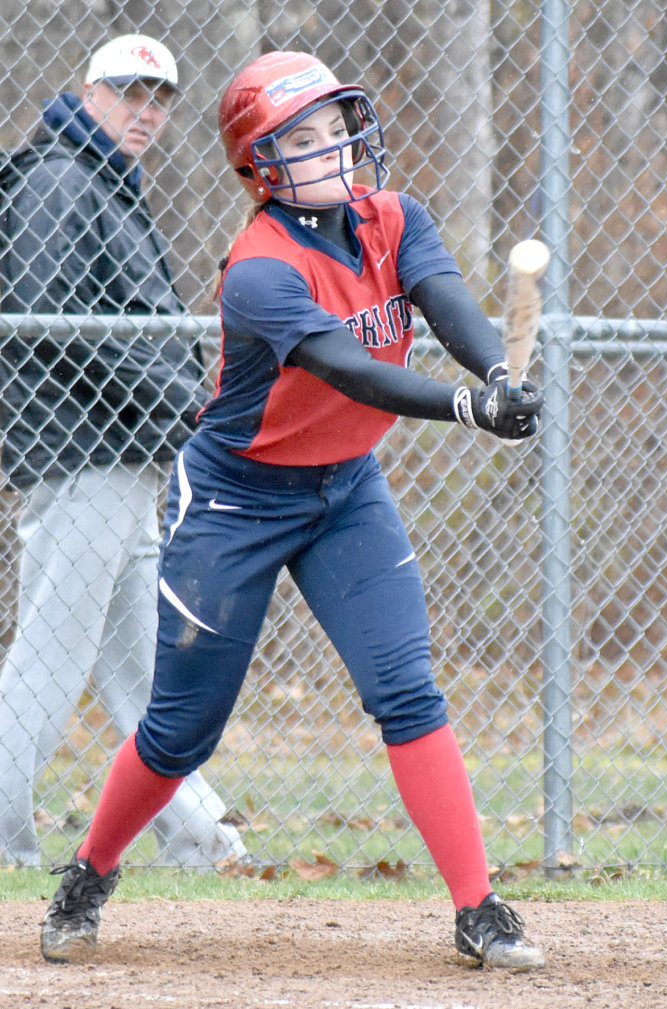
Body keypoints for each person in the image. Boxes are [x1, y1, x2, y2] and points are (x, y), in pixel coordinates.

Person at [38, 50, 547, 970]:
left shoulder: (395, 218)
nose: (335, 148)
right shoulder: (259, 268)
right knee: (180, 729)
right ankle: (89, 870)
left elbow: (447, 302)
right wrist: (466, 408)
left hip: (346, 490)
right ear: (261, 165)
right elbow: (347, 368)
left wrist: (496, 374)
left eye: (338, 129)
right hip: (236, 499)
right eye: (304, 139)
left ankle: (479, 907)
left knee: (407, 689)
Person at [0, 35, 247, 869]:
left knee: (142, 675)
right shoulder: (59, 180)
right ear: (89, 91)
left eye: (161, 98)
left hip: (125, 454)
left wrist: (179, 399)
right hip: (83, 454)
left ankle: (201, 840)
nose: (146, 110)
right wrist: (184, 397)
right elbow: (51, 315)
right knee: (50, 655)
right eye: (129, 91)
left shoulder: (104, 182)